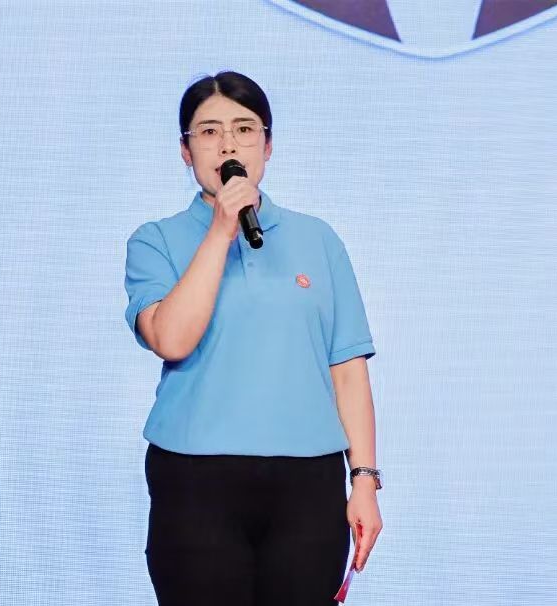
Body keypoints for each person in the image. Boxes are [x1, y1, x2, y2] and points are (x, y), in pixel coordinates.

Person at [123, 71, 382, 606]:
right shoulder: (156, 240)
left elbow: (347, 369)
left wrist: (363, 479)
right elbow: (171, 338)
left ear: (267, 145)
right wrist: (221, 229)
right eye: (209, 131)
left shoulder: (318, 239)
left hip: (308, 482)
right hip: (195, 477)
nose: (228, 144)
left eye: (244, 129)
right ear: (185, 150)